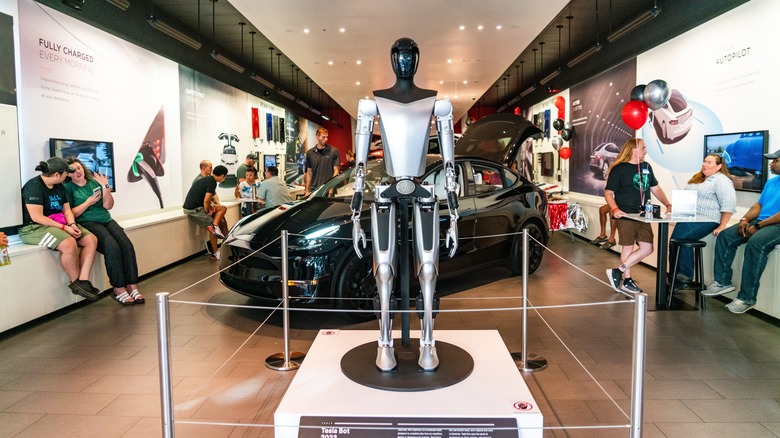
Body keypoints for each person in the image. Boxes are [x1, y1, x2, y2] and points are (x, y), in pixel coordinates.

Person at [702, 150, 780, 314]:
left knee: (755, 243)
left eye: (775, 161)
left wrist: (758, 226)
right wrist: (744, 220)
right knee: (726, 236)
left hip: (776, 224)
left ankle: (747, 298)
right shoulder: (772, 182)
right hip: (761, 221)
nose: (771, 164)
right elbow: (758, 206)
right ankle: (723, 282)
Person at [64, 158, 143, 305]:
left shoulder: (94, 183)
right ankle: (118, 288)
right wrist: (88, 202)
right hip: (87, 222)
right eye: (73, 170)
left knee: (126, 245)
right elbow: (70, 213)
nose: (77, 172)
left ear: (83, 168)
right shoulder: (68, 188)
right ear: (68, 175)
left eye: (79, 168)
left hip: (106, 219)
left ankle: (132, 285)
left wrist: (106, 187)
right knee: (111, 247)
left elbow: (108, 206)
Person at [19, 157, 100, 300]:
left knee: (91, 239)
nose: (67, 176)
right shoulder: (34, 186)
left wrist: (72, 225)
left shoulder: (60, 187)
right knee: (69, 243)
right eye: (65, 173)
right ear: (57, 174)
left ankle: (83, 281)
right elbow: (37, 217)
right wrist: (64, 227)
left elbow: (67, 211)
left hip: (58, 223)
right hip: (34, 228)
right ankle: (77, 282)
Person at [604, 138, 672, 294]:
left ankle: (618, 271)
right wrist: (615, 209)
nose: (646, 150)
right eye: (643, 147)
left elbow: (655, 188)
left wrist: (667, 203)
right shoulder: (618, 169)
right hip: (625, 214)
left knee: (647, 248)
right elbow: (608, 192)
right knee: (627, 246)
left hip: (644, 214)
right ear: (634, 149)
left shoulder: (646, 167)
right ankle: (627, 280)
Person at [668, 154, 736, 288]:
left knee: (681, 238)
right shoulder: (698, 177)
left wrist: (722, 225)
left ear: (719, 166)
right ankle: (674, 276)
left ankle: (685, 275)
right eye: (705, 161)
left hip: (708, 219)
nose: (705, 164)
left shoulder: (722, 180)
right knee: (673, 240)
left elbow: (728, 203)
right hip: (688, 217)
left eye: (710, 163)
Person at [184, 165, 228, 260]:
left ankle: (216, 226)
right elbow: (206, 200)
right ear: (222, 176)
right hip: (194, 209)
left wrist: (210, 207)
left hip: (199, 206)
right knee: (211, 226)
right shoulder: (211, 182)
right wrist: (208, 211)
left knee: (222, 208)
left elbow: (206, 199)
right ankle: (215, 252)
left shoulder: (208, 179)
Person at [304, 127, 340, 196]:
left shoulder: (334, 151)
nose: (326, 139)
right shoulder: (310, 153)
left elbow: (336, 171)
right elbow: (309, 172)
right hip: (313, 190)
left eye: (327, 137)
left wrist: (331, 187)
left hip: (327, 189)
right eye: (323, 137)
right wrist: (307, 190)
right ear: (317, 137)